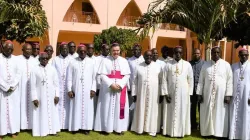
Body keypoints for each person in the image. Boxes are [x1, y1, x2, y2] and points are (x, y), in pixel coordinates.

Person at [94, 43, 131, 135]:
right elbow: (102, 74)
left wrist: (120, 84)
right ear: (111, 51)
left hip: (120, 89)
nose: (116, 52)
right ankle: (106, 128)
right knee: (106, 107)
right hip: (108, 89)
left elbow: (127, 75)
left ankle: (119, 128)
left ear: (120, 51)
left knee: (119, 108)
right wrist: (111, 84)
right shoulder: (105, 60)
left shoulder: (124, 61)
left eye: (117, 50)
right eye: (114, 50)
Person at [196, 46, 232, 138]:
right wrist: (199, 93)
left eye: (217, 52)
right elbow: (201, 80)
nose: (215, 54)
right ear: (211, 54)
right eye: (214, 53)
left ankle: (219, 133)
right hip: (207, 94)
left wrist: (228, 95)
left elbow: (229, 81)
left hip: (221, 95)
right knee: (207, 112)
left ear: (220, 53)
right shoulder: (205, 65)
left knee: (219, 112)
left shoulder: (226, 65)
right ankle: (207, 132)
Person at [161, 46, 193, 137]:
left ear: (182, 53)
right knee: (170, 112)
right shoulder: (168, 65)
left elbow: (190, 79)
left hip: (183, 94)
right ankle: (169, 131)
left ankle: (181, 132)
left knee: (182, 112)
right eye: (176, 53)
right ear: (173, 53)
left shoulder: (187, 65)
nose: (178, 54)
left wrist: (189, 94)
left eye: (180, 53)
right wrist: (166, 93)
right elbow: (164, 80)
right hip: (170, 93)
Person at [131, 50, 162, 137]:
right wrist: (134, 94)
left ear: (152, 57)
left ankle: (152, 130)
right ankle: (139, 129)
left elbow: (161, 82)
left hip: (154, 93)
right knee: (141, 109)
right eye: (147, 56)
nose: (149, 57)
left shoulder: (158, 67)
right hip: (141, 93)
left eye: (150, 56)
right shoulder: (138, 67)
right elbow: (134, 81)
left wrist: (161, 94)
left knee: (153, 111)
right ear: (143, 56)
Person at [67, 44, 97, 135]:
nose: (83, 52)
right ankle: (75, 127)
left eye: (84, 51)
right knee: (76, 108)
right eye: (81, 51)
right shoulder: (72, 62)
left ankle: (86, 128)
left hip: (88, 90)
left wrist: (93, 89)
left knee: (87, 109)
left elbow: (94, 78)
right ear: (78, 52)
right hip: (76, 90)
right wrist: (69, 89)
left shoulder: (92, 62)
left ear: (87, 51)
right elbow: (69, 78)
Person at [30, 52, 60, 137]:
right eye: (43, 58)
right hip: (40, 96)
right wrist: (34, 98)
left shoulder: (52, 69)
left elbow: (56, 84)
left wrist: (57, 95)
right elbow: (32, 86)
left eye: (47, 58)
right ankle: (42, 131)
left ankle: (53, 131)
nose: (45, 60)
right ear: (39, 59)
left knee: (52, 113)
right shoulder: (34, 70)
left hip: (51, 96)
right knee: (41, 113)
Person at [0, 40, 21, 140]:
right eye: (7, 49)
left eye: (11, 49)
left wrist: (12, 86)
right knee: (1, 111)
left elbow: (18, 74)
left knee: (13, 110)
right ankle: (1, 132)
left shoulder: (16, 59)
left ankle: (12, 131)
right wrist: (4, 86)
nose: (10, 51)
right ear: (2, 48)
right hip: (1, 90)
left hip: (13, 91)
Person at [229, 48, 250, 140]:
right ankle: (232, 135)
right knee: (234, 113)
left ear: (248, 56)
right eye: (242, 55)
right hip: (234, 96)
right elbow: (229, 81)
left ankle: (244, 136)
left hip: (246, 96)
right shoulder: (233, 66)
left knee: (245, 114)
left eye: (246, 55)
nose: (244, 56)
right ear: (239, 56)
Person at [52, 42, 71, 130]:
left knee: (68, 106)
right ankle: (57, 125)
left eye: (66, 48)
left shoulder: (72, 59)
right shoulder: (55, 60)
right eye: (63, 48)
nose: (65, 50)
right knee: (57, 105)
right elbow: (52, 73)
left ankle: (67, 125)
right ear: (60, 50)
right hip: (58, 86)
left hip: (68, 87)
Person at [18, 43, 37, 130]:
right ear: (22, 50)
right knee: (21, 105)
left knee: (31, 105)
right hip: (21, 87)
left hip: (32, 87)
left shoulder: (35, 60)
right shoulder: (17, 59)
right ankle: (21, 125)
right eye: (27, 49)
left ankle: (31, 125)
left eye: (30, 49)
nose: (29, 51)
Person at [127, 44, 144, 128]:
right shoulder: (129, 60)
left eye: (138, 50)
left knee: (140, 105)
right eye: (135, 50)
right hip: (131, 87)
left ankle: (139, 123)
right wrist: (129, 88)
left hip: (141, 87)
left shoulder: (144, 59)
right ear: (132, 51)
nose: (136, 51)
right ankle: (131, 123)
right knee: (131, 106)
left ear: (141, 50)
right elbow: (127, 75)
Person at [189, 48, 205, 130]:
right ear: (192, 54)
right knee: (192, 108)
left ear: (200, 54)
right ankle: (193, 125)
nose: (196, 55)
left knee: (201, 108)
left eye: (198, 53)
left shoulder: (204, 64)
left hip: (201, 91)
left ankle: (202, 125)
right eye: (195, 53)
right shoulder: (189, 64)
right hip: (191, 90)